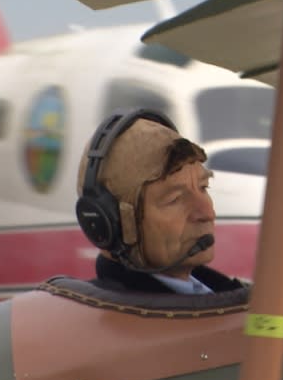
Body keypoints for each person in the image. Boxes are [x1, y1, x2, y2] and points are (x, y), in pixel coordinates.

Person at [75, 109, 246, 294]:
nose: (207, 213)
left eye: (203, 187)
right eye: (175, 199)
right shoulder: (144, 320)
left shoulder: (215, 297)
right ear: (112, 224)